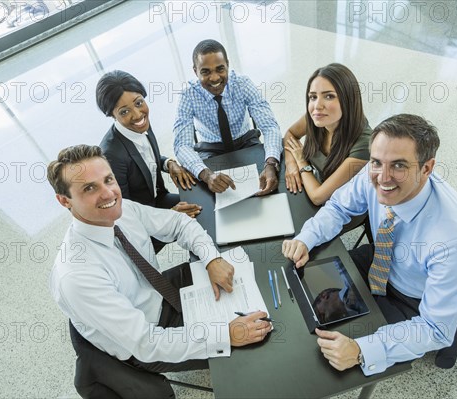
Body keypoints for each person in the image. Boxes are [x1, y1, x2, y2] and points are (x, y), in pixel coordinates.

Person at [48, 145, 272, 387]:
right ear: (64, 201)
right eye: (89, 188)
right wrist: (225, 335)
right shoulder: (77, 276)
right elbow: (147, 343)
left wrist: (211, 259)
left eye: (108, 179)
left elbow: (178, 223)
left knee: (257, 284)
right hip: (149, 338)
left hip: (158, 290)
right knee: (258, 349)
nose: (108, 194)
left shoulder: (121, 209)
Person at [282, 114, 457, 376]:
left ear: (426, 168)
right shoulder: (375, 174)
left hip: (413, 299)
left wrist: (361, 350)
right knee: (299, 296)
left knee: (320, 354)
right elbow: (338, 206)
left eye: (399, 165)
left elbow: (436, 329)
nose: (383, 177)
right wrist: (306, 238)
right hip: (379, 260)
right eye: (377, 162)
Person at [173, 39, 282, 194]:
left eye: (220, 69)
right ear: (195, 71)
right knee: (209, 196)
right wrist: (206, 174)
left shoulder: (242, 83)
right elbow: (181, 145)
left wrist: (271, 163)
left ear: (228, 65)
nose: (215, 78)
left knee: (269, 184)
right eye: (205, 71)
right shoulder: (187, 94)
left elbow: (270, 126)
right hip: (211, 148)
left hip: (245, 141)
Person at [97, 70, 201, 218]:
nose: (138, 114)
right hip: (141, 222)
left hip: (157, 199)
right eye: (124, 112)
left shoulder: (139, 125)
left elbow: (148, 158)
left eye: (139, 103)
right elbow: (123, 211)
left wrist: (169, 164)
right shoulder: (111, 155)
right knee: (196, 214)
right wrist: (169, 217)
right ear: (112, 115)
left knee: (202, 201)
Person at [283, 63, 371, 206]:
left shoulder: (364, 144)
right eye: (313, 97)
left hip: (345, 206)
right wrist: (291, 163)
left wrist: (301, 162)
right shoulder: (318, 117)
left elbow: (318, 197)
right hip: (315, 185)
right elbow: (290, 134)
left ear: (348, 100)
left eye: (329, 96)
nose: (317, 105)